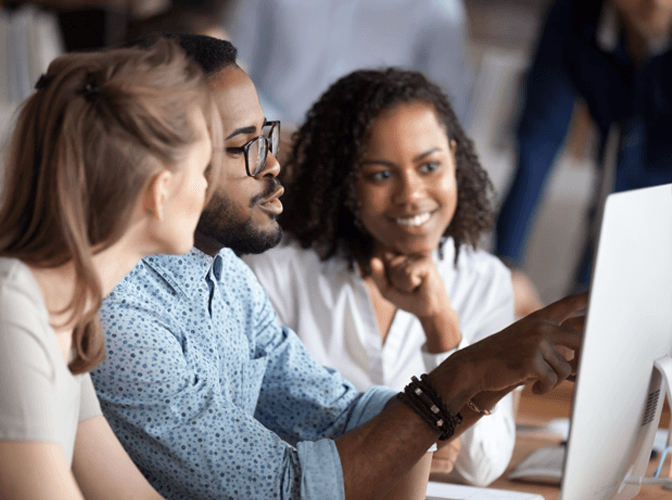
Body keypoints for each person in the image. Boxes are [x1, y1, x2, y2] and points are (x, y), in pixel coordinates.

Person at [91, 34, 586, 500]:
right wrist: (469, 370)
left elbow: (345, 417)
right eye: (247, 145)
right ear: (167, 164)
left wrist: (494, 371)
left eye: (268, 137)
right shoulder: (123, 319)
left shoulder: (225, 276)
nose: (272, 165)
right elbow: (283, 489)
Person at [243, 67, 516, 486]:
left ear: (454, 159)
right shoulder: (279, 274)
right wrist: (405, 437)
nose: (411, 194)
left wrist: (441, 326)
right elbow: (244, 436)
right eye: (381, 175)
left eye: (429, 166)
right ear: (345, 183)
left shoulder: (482, 279)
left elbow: (484, 465)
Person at [0, 39, 223, 499]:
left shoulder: (69, 311)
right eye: (202, 169)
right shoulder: (11, 313)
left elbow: (124, 492)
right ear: (159, 192)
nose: (206, 187)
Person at [495, 0, 672, 289]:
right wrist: (504, 267)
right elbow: (537, 147)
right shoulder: (574, 18)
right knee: (586, 310)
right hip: (612, 192)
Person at [224, 0, 475, 127]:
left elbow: (446, 109)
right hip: (269, 148)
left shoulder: (436, 8)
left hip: (366, 167)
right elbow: (233, 67)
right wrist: (275, 131)